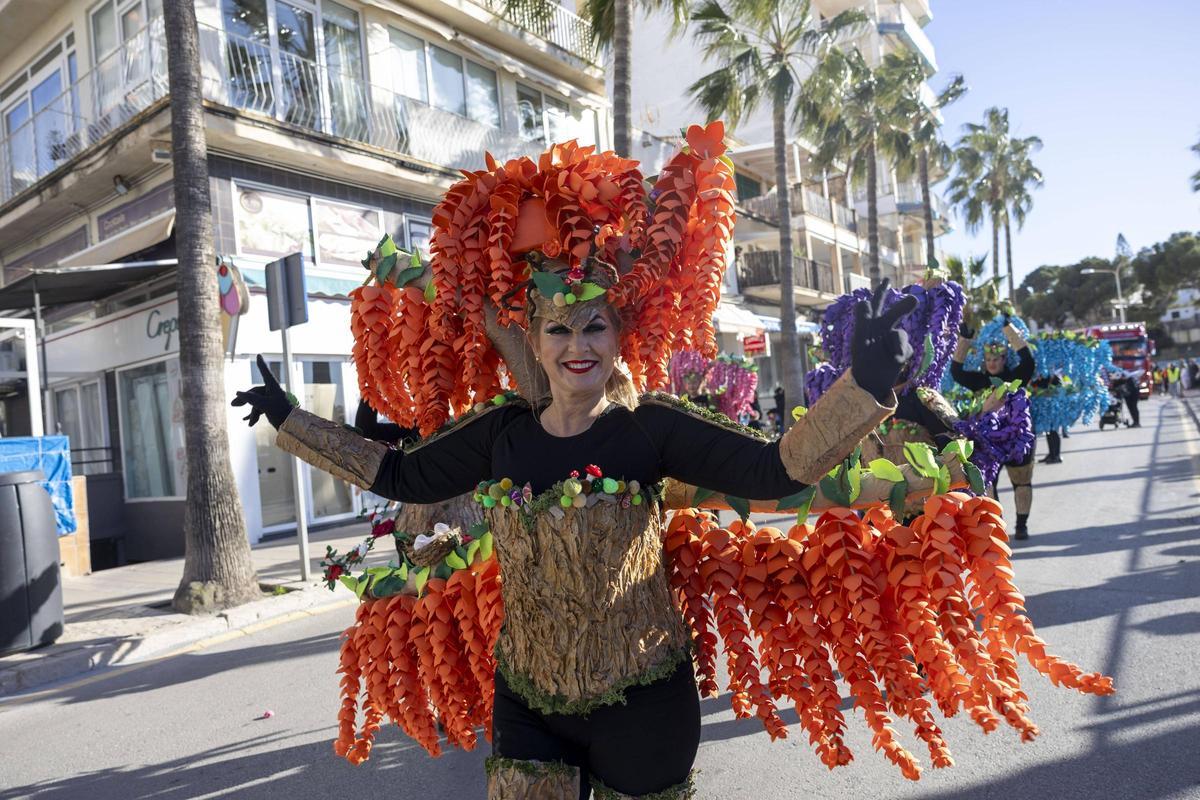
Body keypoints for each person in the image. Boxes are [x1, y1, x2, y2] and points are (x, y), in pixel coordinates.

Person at [232, 132, 922, 800]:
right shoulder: (500, 433)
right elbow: (400, 477)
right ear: (534, 341)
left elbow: (779, 471)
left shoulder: (652, 427)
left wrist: (863, 387)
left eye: (594, 326)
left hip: (644, 706)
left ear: (618, 337)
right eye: (558, 330)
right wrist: (292, 419)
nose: (576, 346)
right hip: (528, 703)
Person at [950, 315, 1037, 540]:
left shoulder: (1016, 376)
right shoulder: (978, 380)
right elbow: (956, 372)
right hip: (987, 441)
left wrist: (1009, 328)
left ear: (1004, 358)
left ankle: (1022, 526)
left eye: (996, 359)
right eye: (988, 359)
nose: (992, 363)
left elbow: (1028, 361)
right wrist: (964, 340)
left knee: (1022, 481)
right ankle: (996, 527)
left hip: (1017, 439)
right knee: (987, 483)